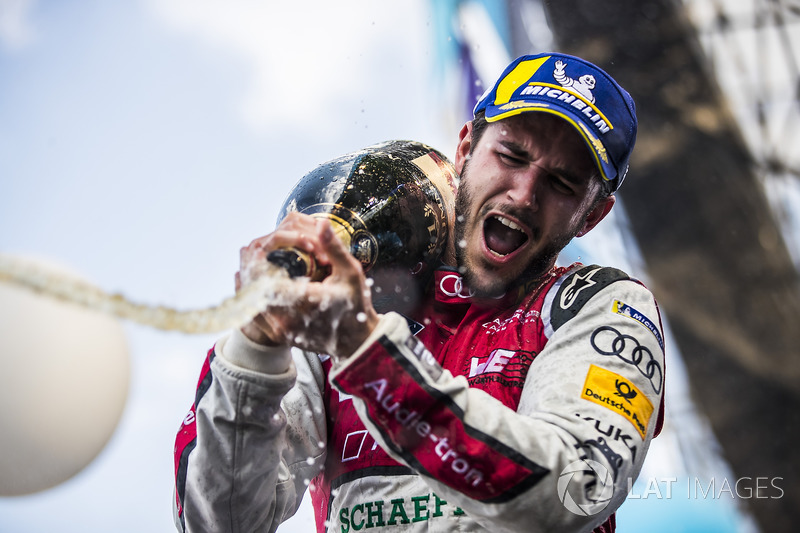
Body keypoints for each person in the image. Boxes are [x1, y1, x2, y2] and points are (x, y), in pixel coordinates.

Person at [173, 52, 665, 533]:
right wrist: (256, 350)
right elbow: (220, 523)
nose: (524, 194)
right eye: (511, 156)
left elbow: (575, 493)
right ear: (466, 149)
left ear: (593, 215)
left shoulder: (603, 305)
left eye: (561, 183)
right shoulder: (346, 297)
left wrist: (366, 353)